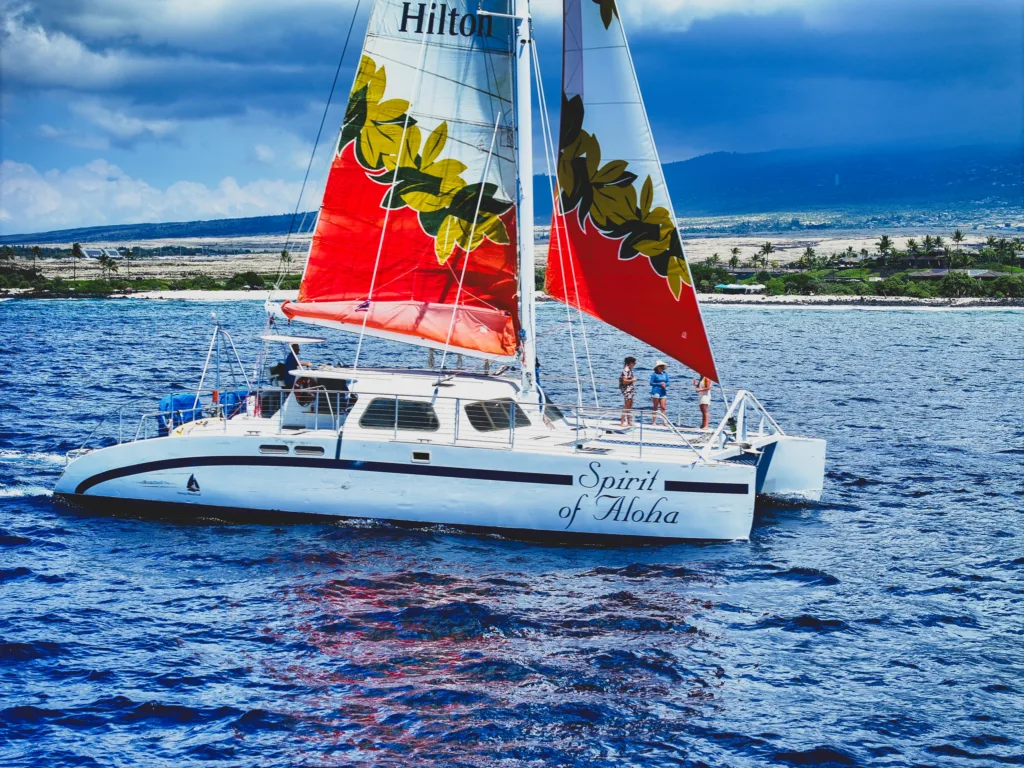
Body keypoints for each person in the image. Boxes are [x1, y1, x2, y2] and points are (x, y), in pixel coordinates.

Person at [649, 360, 670, 425]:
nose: (661, 368)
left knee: (663, 407)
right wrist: (659, 384)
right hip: (656, 391)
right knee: (655, 407)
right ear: (657, 367)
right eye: (660, 366)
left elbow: (668, 382)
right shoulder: (654, 374)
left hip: (663, 391)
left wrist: (665, 385)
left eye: (662, 366)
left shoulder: (665, 374)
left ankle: (664, 421)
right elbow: (651, 383)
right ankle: (654, 421)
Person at [619, 356, 637, 426]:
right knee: (626, 405)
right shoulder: (626, 370)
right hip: (627, 389)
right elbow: (624, 381)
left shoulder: (629, 370)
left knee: (630, 405)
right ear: (631, 363)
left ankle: (629, 421)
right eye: (634, 363)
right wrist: (632, 380)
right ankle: (622, 421)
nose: (635, 364)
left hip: (630, 389)